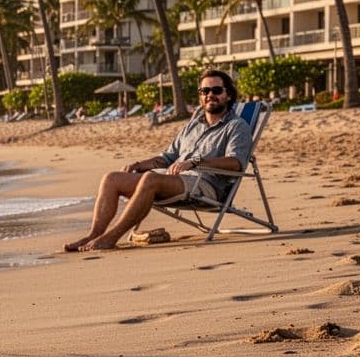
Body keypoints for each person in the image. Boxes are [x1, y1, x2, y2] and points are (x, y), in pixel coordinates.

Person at [64, 69, 253, 252]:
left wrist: (195, 162)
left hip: (205, 185)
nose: (210, 95)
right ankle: (93, 235)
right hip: (173, 178)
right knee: (111, 178)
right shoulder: (193, 125)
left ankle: (111, 238)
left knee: (150, 179)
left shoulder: (236, 126)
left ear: (228, 95)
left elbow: (236, 162)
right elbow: (167, 158)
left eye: (216, 90)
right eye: (205, 91)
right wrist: (139, 165)